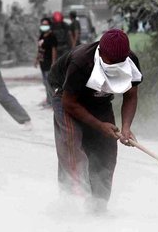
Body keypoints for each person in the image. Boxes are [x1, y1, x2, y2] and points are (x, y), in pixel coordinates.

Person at [48, 29, 143, 212]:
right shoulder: (81, 61)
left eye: (119, 63)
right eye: (111, 63)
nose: (115, 65)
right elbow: (70, 103)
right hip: (66, 97)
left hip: (100, 100)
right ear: (101, 52)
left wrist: (125, 128)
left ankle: (98, 206)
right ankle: (71, 202)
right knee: (71, 142)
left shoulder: (131, 61)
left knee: (106, 148)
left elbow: (131, 96)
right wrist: (99, 125)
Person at [34, 18, 57, 108]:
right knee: (45, 82)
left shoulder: (52, 37)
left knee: (49, 83)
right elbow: (40, 49)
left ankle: (53, 102)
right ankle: (48, 100)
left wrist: (54, 62)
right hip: (42, 63)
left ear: (50, 25)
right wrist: (36, 59)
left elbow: (54, 50)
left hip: (49, 62)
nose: (44, 26)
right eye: (43, 24)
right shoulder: (41, 36)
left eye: (46, 24)